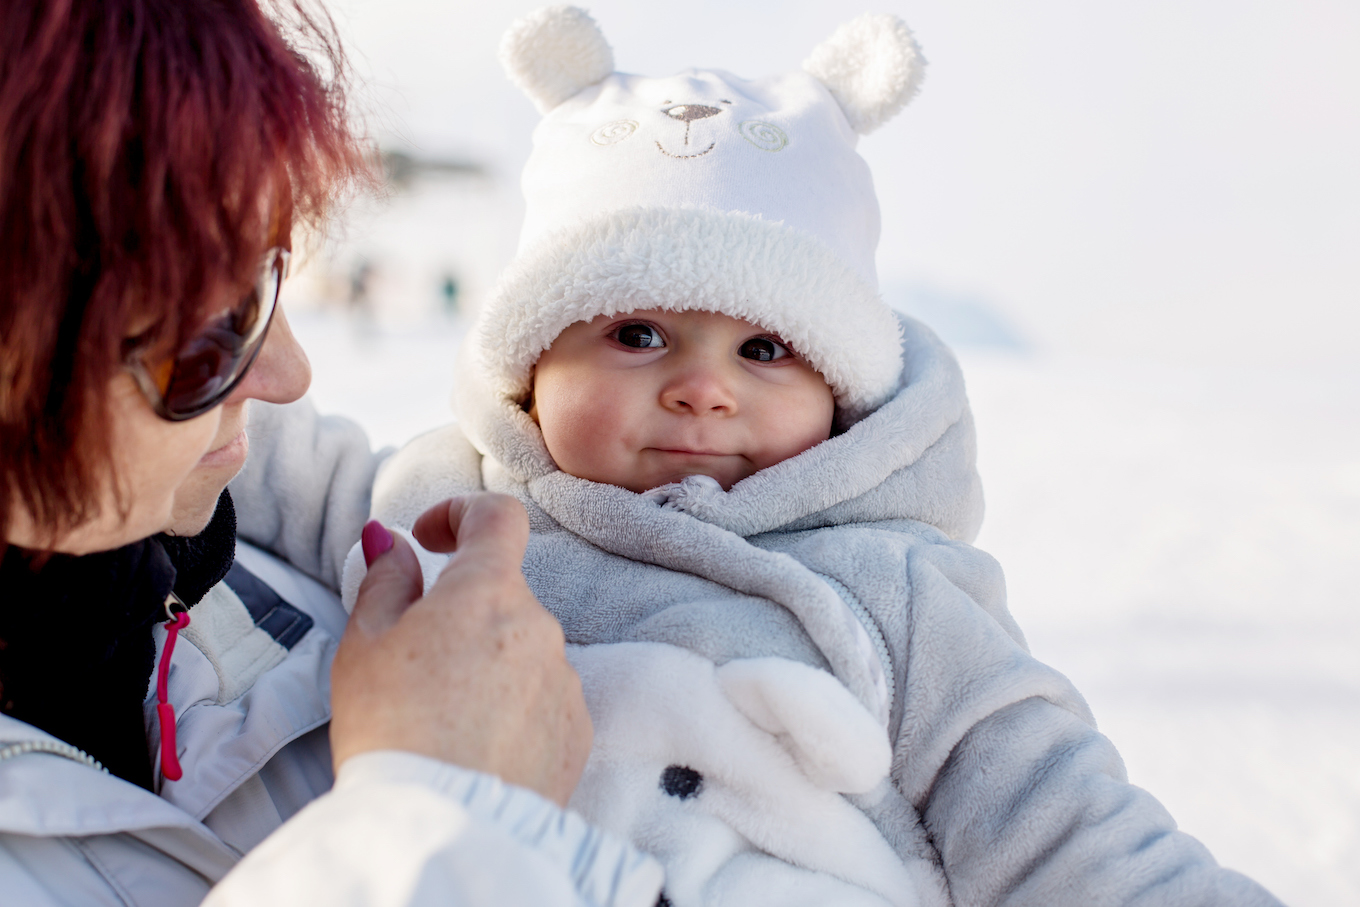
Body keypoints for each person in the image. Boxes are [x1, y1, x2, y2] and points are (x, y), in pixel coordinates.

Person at [335, 7, 1286, 905]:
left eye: (764, 350)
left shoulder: (893, 588)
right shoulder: (438, 501)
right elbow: (246, 467)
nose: (704, 388)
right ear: (531, 354)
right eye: (637, 331)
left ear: (839, 393)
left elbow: (1058, 822)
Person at [0, 1, 663, 904]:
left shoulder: (286, 564)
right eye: (200, 342)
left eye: (265, 278)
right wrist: (436, 825)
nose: (289, 374)